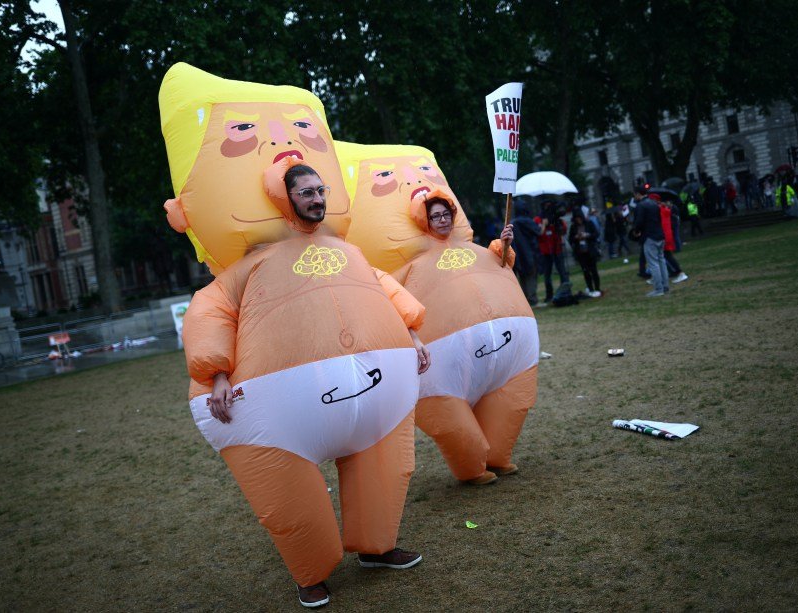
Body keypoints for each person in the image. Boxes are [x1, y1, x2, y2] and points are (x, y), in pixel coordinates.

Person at [182, 161, 428, 608]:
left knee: (386, 466)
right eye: (307, 193)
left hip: (372, 393)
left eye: (321, 190)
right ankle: (310, 573)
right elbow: (211, 311)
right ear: (284, 198)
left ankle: (378, 545)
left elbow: (381, 289)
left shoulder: (348, 251)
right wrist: (215, 373)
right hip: (282, 412)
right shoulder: (250, 264)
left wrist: (411, 333)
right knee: (287, 499)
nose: (318, 199)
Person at [391, 193, 538, 486]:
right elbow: (391, 293)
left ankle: (497, 454)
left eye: (446, 214)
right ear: (426, 221)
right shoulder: (416, 264)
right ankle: (470, 466)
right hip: (444, 369)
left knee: (509, 402)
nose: (443, 220)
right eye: (435, 216)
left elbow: (503, 264)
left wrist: (502, 247)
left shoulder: (476, 249)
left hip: (504, 357)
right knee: (450, 417)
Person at [633, 192, 669, 297]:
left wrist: (636, 230)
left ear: (637, 194)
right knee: (662, 261)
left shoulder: (641, 205)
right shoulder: (654, 203)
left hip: (649, 236)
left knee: (653, 264)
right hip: (659, 234)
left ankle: (659, 289)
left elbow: (639, 222)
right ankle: (665, 286)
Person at [534, 203, 570, 303]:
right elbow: (538, 233)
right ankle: (549, 295)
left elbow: (563, 231)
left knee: (562, 271)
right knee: (547, 274)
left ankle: (565, 292)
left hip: (557, 248)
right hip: (545, 251)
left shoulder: (556, 219)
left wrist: (557, 223)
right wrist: (544, 225)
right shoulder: (538, 219)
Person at [509, 200, 542, 306]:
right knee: (531, 276)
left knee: (523, 277)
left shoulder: (513, 222)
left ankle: (526, 301)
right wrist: (544, 224)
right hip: (529, 253)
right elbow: (539, 232)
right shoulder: (527, 221)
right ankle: (533, 299)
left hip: (518, 254)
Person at [568, 209, 602, 298]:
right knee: (586, 271)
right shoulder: (573, 227)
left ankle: (597, 288)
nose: (578, 220)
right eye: (576, 218)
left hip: (590, 250)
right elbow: (570, 239)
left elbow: (596, 234)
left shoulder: (589, 223)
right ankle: (590, 288)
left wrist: (587, 235)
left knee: (594, 270)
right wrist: (576, 237)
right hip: (580, 252)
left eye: (579, 218)